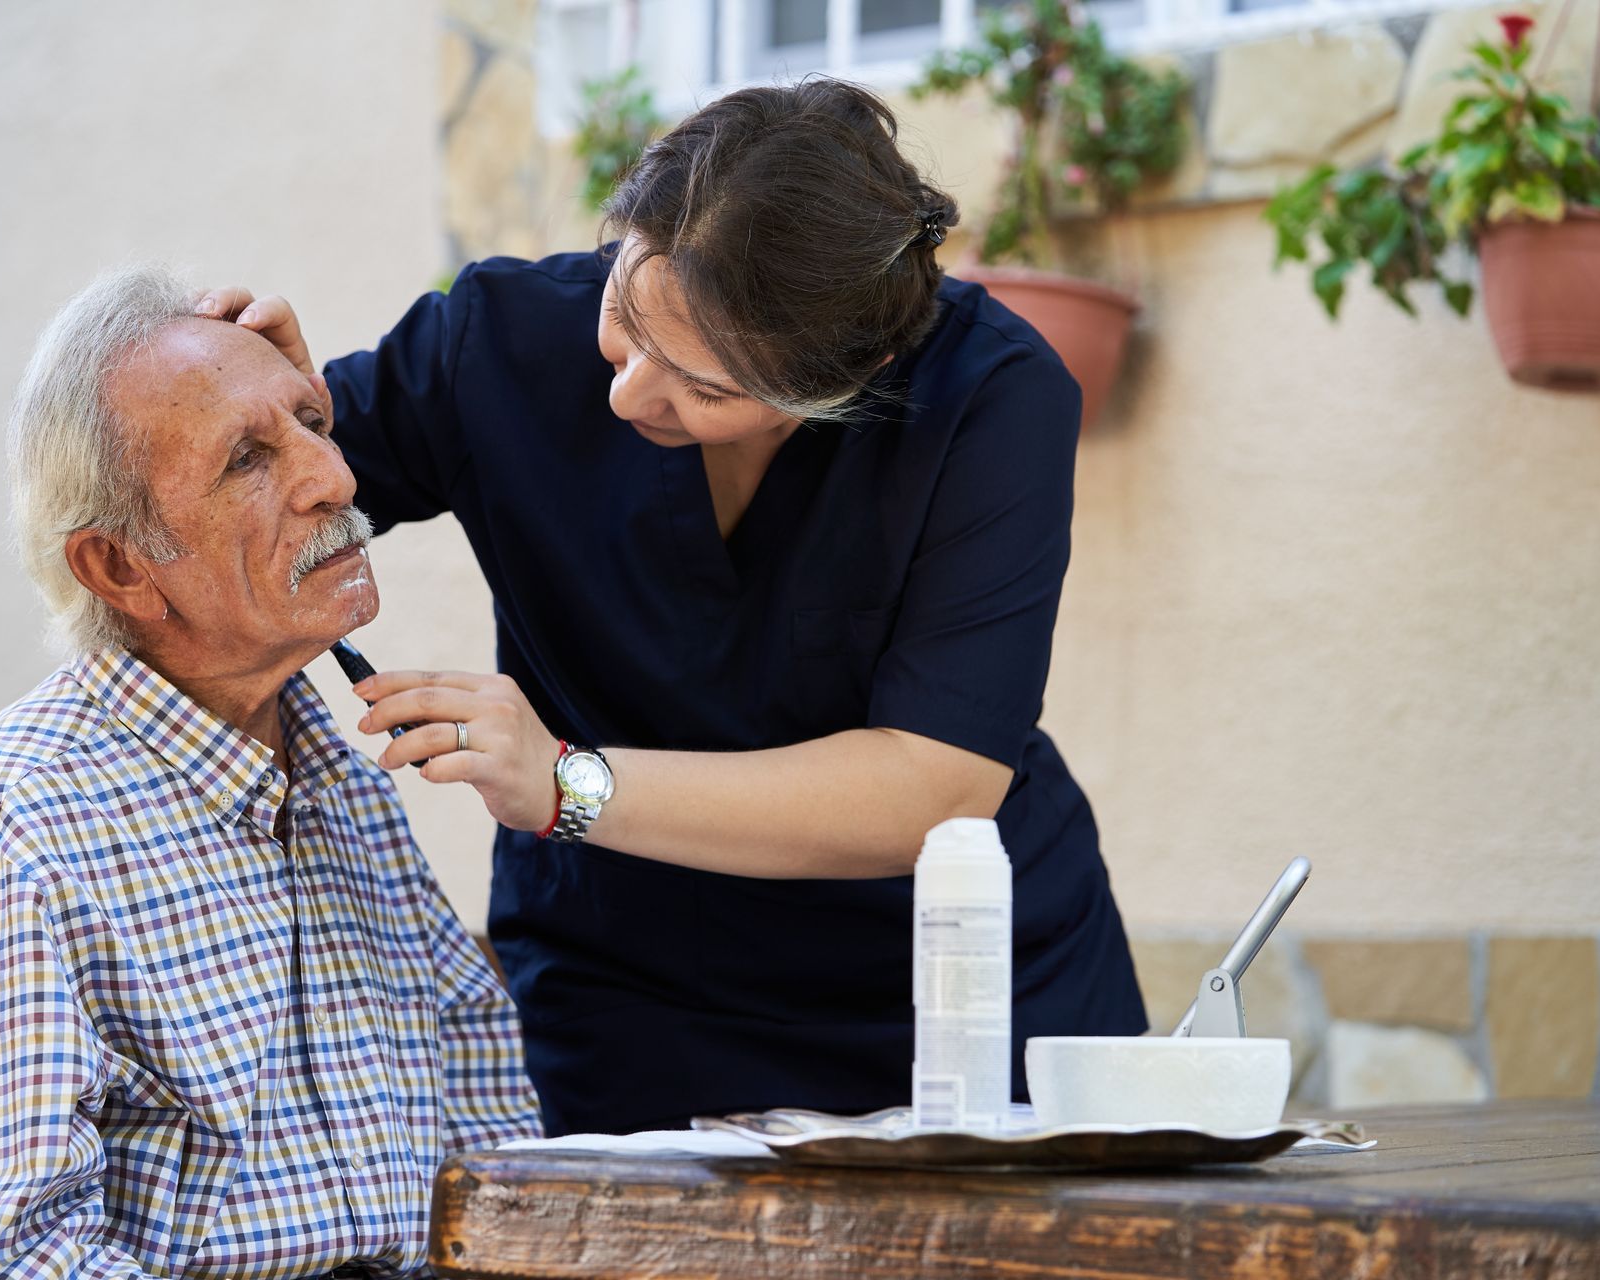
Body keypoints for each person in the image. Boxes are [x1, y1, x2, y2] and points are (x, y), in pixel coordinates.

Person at [201, 78, 1147, 1136]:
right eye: (623, 317)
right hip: (627, 988)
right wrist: (269, 415)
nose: (628, 394)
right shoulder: (496, 340)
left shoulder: (990, 397)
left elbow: (936, 781)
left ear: (854, 376)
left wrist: (566, 782)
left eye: (704, 386)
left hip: (958, 980)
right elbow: (266, 514)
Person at [0, 265, 540, 1279]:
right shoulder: (4, 836)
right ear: (122, 567)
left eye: (314, 419)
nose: (336, 480)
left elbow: (493, 1161)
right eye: (250, 460)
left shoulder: (342, 787)